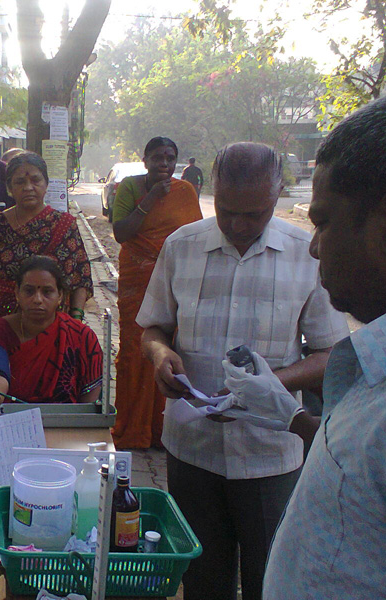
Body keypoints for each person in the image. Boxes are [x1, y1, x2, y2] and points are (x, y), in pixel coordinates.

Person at [210, 91, 386, 599]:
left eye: (322, 223)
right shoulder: (383, 368)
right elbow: (359, 463)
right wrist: (288, 413)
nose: (314, 247)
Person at [138, 142, 349, 600]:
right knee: (201, 580)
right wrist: (160, 355)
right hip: (191, 448)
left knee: (270, 580)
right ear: (212, 191)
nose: (237, 225)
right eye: (227, 211)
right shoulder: (182, 246)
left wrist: (271, 385)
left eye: (254, 214)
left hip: (269, 453)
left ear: (277, 196)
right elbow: (153, 328)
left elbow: (331, 353)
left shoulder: (307, 253)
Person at [111, 137, 202, 450]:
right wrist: (150, 199)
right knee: (135, 351)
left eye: (170, 158)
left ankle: (161, 429)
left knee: (171, 347)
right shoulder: (130, 187)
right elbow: (121, 232)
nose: (164, 163)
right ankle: (132, 430)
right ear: (145, 160)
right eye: (158, 158)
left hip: (174, 282)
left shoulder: (185, 191)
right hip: (137, 278)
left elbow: (194, 238)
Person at [0, 256, 103, 421]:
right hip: (7, 423)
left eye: (47, 292)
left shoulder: (82, 336)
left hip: (66, 425)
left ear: (60, 295)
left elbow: (89, 402)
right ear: (17, 293)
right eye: (29, 291)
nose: (37, 299)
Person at [0, 152, 92, 328]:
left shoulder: (65, 225)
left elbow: (81, 278)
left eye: (36, 180)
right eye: (20, 182)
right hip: (5, 326)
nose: (28, 187)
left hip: (56, 327)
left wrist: (75, 323)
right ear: (9, 188)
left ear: (46, 184)